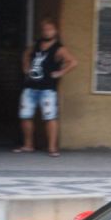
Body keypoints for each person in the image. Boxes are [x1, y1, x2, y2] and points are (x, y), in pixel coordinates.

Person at [18, 18, 77, 157]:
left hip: (47, 88)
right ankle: (28, 145)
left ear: (55, 31)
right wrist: (25, 68)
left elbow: (73, 62)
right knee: (25, 115)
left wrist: (60, 73)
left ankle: (52, 148)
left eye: (49, 29)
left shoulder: (59, 48)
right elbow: (26, 54)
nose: (46, 32)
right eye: (44, 29)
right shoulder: (36, 44)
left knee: (50, 117)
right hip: (30, 86)